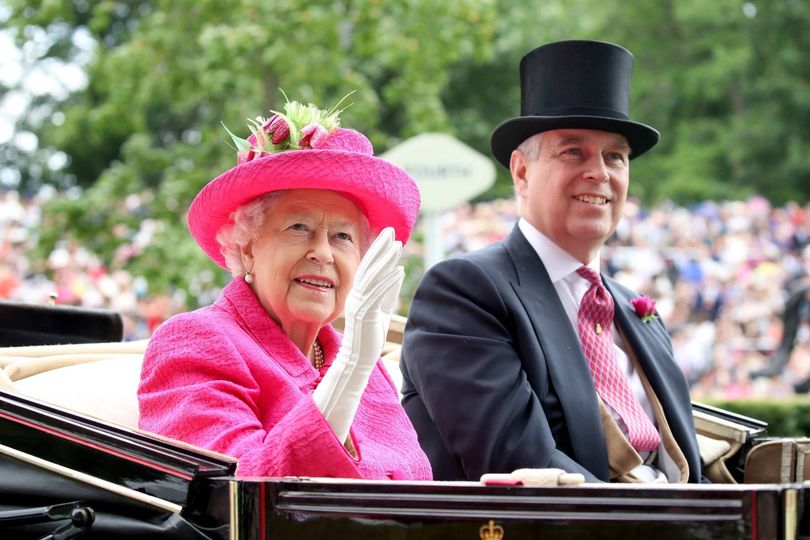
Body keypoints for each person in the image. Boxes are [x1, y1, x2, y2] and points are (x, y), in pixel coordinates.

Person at [400, 40, 702, 483]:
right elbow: (520, 464)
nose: (599, 172)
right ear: (521, 172)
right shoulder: (467, 292)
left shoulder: (638, 312)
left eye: (614, 156)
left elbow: (687, 471)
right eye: (573, 152)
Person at [138, 97, 432, 480]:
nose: (323, 253)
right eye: (299, 228)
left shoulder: (358, 357)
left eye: (342, 236)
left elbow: (415, 487)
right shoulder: (194, 342)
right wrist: (348, 371)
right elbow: (238, 497)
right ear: (247, 246)